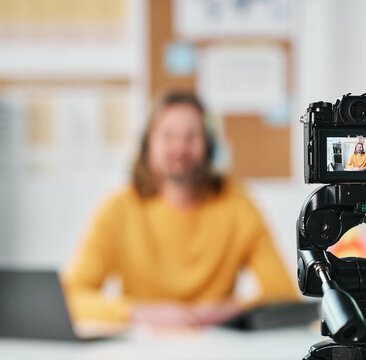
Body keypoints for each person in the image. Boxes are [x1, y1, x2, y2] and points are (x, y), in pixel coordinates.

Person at [63, 92, 298, 328]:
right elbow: (72, 296)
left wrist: (232, 310)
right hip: (142, 344)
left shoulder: (238, 204)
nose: (180, 147)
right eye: (168, 135)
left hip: (217, 344)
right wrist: (136, 312)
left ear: (209, 146)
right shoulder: (119, 209)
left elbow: (283, 295)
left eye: (191, 136)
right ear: (148, 145)